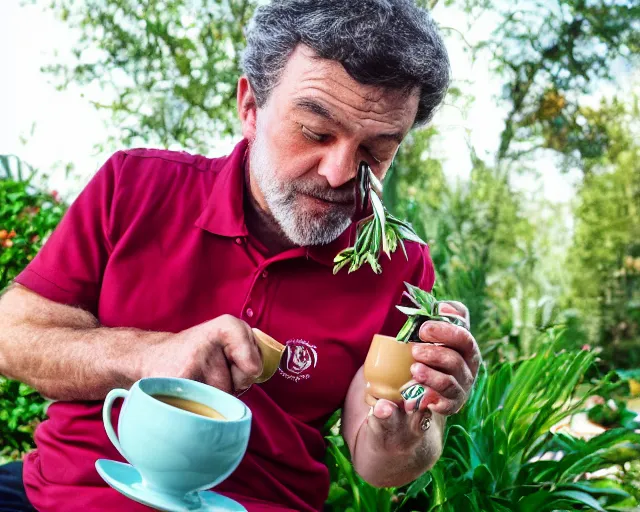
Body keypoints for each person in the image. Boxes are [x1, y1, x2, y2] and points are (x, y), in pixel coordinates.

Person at [0, 1, 481, 510]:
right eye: (315, 133)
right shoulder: (135, 185)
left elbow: (381, 462)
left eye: (376, 152)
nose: (341, 173)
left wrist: (414, 423)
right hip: (66, 494)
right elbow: (13, 336)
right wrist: (149, 355)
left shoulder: (398, 265)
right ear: (250, 106)